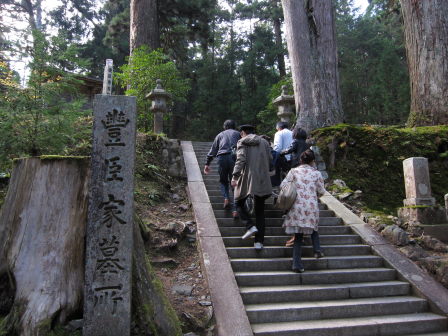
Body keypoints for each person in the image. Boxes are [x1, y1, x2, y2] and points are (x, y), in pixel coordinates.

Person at [281, 149, 326, 272]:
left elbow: (283, 186)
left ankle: (297, 265)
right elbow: (322, 191)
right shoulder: (316, 173)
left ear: (300, 160)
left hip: (297, 206)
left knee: (299, 236)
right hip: (311, 206)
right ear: (312, 161)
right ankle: (317, 250)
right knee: (313, 227)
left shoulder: (293, 171)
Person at [231, 125, 273, 250]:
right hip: (263, 179)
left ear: (243, 132)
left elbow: (241, 160)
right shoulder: (265, 142)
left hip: (247, 179)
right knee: (260, 211)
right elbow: (271, 160)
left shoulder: (242, 142)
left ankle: (250, 226)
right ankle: (259, 242)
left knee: (238, 202)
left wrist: (235, 176)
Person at [280, 126, 311, 246]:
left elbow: (289, 150)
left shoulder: (296, 142)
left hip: (296, 166)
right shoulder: (307, 144)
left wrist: (281, 153)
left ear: (295, 134)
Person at [204, 120, 241, 218]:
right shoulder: (238, 134)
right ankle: (235, 210)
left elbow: (213, 150)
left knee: (223, 180)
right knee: (235, 182)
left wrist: (207, 163)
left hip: (222, 157)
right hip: (235, 158)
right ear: (234, 126)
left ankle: (226, 198)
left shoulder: (220, 135)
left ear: (225, 127)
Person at [272, 121, 293, 189]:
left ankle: (282, 193)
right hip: (293, 158)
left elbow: (277, 148)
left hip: (283, 159)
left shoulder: (279, 133)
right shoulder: (292, 133)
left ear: (279, 127)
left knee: (282, 179)